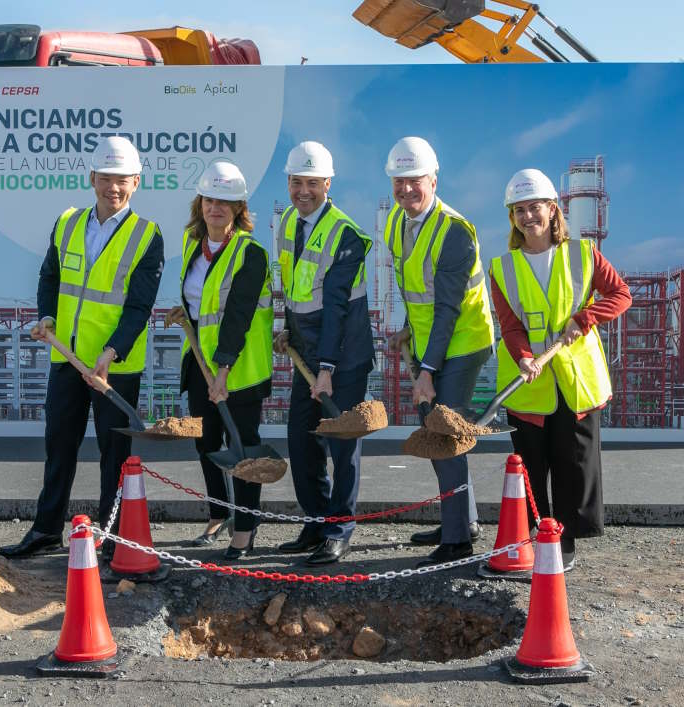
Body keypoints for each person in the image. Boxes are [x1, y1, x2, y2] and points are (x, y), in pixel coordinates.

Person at [0, 136, 164, 559]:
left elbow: (139, 307)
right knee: (59, 446)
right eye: (106, 178)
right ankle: (46, 529)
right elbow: (49, 277)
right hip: (67, 360)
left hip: (114, 369)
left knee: (114, 456)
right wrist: (46, 317)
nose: (113, 187)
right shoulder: (68, 222)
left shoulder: (147, 236)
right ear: (92, 177)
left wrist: (110, 354)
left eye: (122, 180)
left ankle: (111, 538)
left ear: (136, 182)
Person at [489, 168, 632, 572]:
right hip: (529, 382)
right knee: (533, 468)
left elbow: (621, 295)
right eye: (518, 210)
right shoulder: (503, 268)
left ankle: (564, 540)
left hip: (575, 379)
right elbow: (510, 326)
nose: (527, 216)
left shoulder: (582, 254)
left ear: (553, 210)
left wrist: (585, 318)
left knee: (573, 463)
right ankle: (538, 534)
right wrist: (523, 358)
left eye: (534, 207)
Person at [382, 137, 494, 566]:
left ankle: (458, 541)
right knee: (438, 432)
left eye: (415, 182)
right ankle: (460, 521)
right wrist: (409, 330)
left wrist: (427, 370)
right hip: (429, 341)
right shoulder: (397, 221)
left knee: (443, 434)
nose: (407, 190)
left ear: (433, 179)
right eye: (399, 182)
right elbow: (417, 291)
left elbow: (447, 308)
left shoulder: (455, 232)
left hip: (462, 343)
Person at [271, 141, 373, 566]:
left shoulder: (346, 234)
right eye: (297, 182)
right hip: (305, 347)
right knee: (302, 439)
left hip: (343, 351)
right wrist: (282, 328)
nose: (303, 191)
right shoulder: (287, 224)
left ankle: (339, 529)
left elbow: (336, 305)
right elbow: (284, 285)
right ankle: (316, 522)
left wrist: (327, 367)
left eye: (312, 182)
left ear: (328, 184)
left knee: (341, 441)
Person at [167, 160, 273, 561]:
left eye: (225, 202)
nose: (216, 208)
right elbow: (200, 304)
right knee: (208, 443)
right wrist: (183, 315)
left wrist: (223, 371)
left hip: (239, 370)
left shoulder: (251, 253)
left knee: (244, 451)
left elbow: (238, 316)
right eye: (210, 199)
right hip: (199, 365)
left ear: (239, 209)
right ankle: (217, 513)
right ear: (201, 203)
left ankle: (244, 531)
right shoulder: (192, 245)